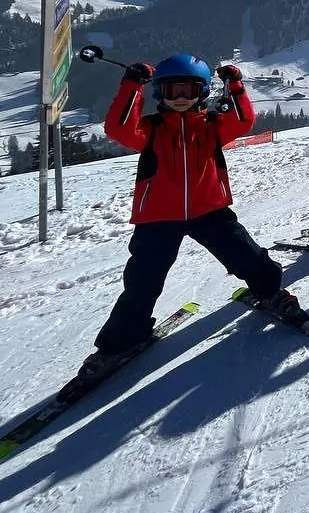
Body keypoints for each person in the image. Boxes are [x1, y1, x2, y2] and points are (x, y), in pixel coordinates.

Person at [78, 54, 297, 378]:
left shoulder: (211, 126)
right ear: (159, 93)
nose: (180, 98)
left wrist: (235, 85)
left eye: (189, 91)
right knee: (142, 283)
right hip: (158, 218)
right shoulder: (150, 129)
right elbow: (118, 127)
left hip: (210, 211)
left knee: (248, 257)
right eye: (172, 91)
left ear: (203, 93)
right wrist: (132, 85)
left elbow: (243, 121)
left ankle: (270, 292)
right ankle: (120, 341)